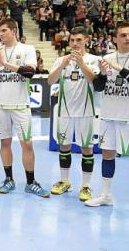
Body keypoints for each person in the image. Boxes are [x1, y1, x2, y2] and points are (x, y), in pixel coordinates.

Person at [0, 18, 49, 198]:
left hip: (21, 105)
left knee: (27, 144)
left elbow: (30, 72)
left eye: (4, 30)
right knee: (4, 142)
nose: (1, 34)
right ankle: (9, 179)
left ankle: (31, 182)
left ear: (14, 31)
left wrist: (6, 63)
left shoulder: (26, 49)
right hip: (0, 104)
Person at [47, 27, 99, 201]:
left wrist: (81, 64)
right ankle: (65, 181)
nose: (75, 44)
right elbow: (49, 81)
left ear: (86, 40)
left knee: (87, 147)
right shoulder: (61, 60)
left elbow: (95, 81)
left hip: (86, 111)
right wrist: (62, 64)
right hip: (65, 111)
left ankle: (86, 186)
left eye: (79, 40)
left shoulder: (94, 60)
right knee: (64, 146)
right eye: (72, 40)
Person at [87, 22, 129, 207]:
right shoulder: (107, 58)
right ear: (115, 38)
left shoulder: (113, 61)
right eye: (123, 35)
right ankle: (106, 195)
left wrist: (117, 67)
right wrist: (103, 74)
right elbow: (97, 87)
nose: (127, 38)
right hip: (109, 115)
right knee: (107, 154)